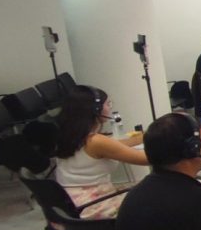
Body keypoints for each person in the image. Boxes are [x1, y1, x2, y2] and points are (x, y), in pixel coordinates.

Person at [53, 85, 148, 218]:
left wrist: (145, 136)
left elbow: (115, 146)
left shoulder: (71, 134)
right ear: (96, 109)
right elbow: (146, 159)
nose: (110, 108)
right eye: (108, 104)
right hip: (94, 206)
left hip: (72, 203)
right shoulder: (96, 141)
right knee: (154, 194)